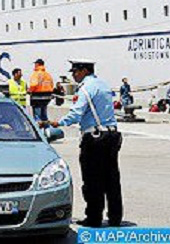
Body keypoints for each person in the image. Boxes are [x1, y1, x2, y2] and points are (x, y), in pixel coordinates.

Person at [40, 60, 122, 228]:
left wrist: (58, 122)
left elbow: (76, 114)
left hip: (94, 138)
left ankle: (94, 218)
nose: (73, 75)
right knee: (112, 178)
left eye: (75, 72)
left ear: (84, 71)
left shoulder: (86, 88)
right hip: (112, 135)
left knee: (92, 180)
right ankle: (115, 217)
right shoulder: (103, 85)